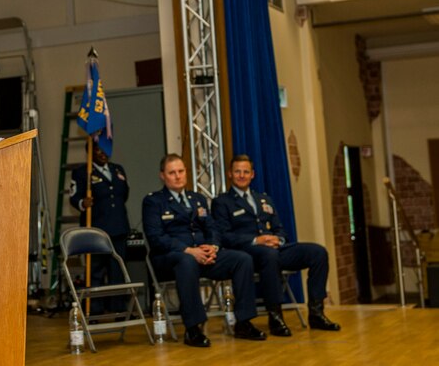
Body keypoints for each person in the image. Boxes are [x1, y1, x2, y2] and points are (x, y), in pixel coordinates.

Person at [142, 154, 266, 347]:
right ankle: (193, 329)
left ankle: (243, 322)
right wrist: (189, 250)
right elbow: (157, 239)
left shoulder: (197, 198)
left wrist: (213, 247)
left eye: (181, 171)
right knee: (187, 261)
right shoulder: (153, 202)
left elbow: (213, 228)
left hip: (203, 256)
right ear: (162, 176)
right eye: (172, 172)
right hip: (170, 258)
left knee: (242, 259)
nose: (177, 176)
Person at [212, 154, 341, 336]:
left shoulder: (264, 199)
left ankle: (316, 313)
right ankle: (275, 316)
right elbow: (225, 236)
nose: (242, 175)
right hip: (248, 255)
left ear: (252, 175)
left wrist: (277, 239)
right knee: (268, 255)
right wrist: (257, 240)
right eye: (237, 172)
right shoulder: (222, 202)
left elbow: (280, 229)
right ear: (230, 174)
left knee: (318, 252)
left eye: (246, 172)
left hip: (274, 249)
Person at [69, 141, 130, 316]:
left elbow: (124, 194)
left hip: (118, 228)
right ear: (90, 151)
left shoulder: (118, 169)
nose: (103, 153)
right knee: (95, 271)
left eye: (105, 149)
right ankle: (94, 310)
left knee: (117, 271)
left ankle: (118, 309)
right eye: (98, 149)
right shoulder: (82, 172)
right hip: (94, 231)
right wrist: (83, 203)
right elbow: (74, 198)